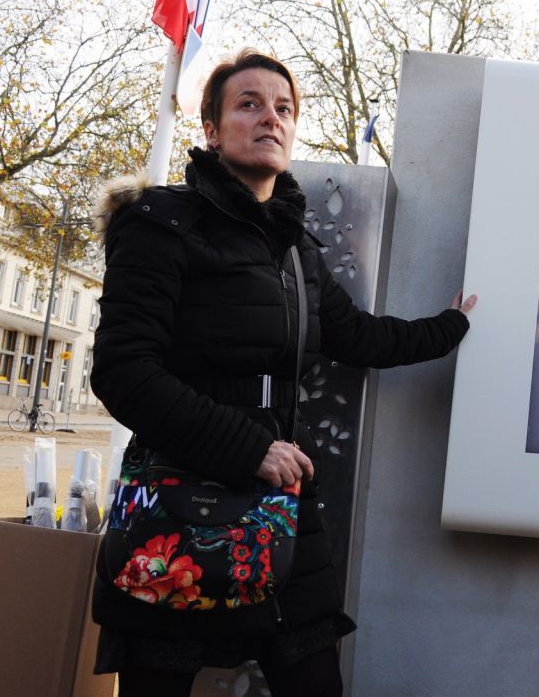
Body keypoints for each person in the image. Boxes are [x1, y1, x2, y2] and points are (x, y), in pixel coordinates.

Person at [90, 49, 476, 697]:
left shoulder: (295, 248)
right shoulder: (158, 223)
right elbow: (123, 371)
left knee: (314, 680)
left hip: (282, 506)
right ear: (211, 129)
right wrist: (249, 449)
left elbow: (356, 336)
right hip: (178, 502)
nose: (270, 117)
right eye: (249, 104)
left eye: (284, 107)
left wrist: (453, 326)